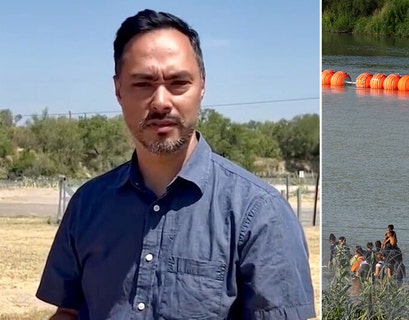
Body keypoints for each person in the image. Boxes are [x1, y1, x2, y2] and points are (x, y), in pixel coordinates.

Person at [35, 9, 315, 320]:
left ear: (202, 86)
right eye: (143, 83)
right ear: (118, 90)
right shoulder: (87, 205)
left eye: (178, 82)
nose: (161, 101)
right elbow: (69, 311)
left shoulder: (260, 213)